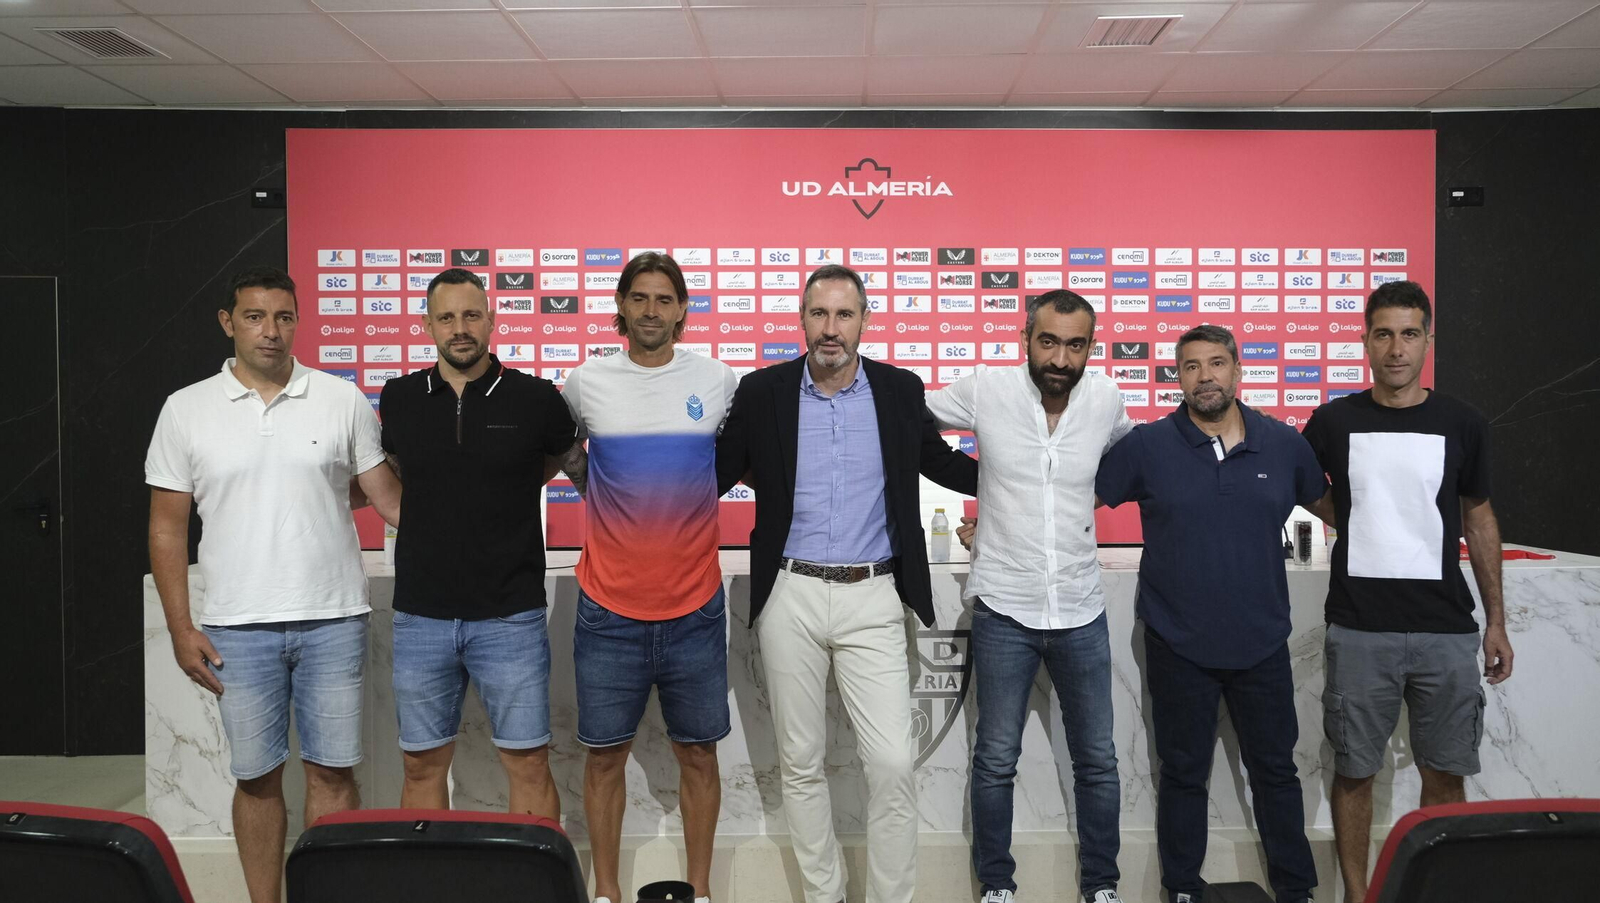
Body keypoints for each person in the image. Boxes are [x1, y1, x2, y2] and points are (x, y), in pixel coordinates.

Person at [715, 264, 976, 903]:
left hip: (875, 593)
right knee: (801, 764)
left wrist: (1031, 476)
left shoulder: (899, 390)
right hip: (789, 593)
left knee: (892, 764)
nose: (830, 328)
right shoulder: (762, 391)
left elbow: (943, 464)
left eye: (844, 314)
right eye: (819, 314)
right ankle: (825, 895)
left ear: (864, 320)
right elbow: (712, 476)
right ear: (802, 319)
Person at [146, 266, 400, 903]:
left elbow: (390, 500)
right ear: (228, 323)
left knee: (333, 774)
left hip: (333, 618)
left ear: (298, 321)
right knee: (256, 779)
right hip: (236, 627)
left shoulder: (341, 399)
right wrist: (180, 628)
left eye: (284, 317)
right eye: (255, 317)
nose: (271, 331)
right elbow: (168, 529)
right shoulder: (185, 408)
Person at [1093, 324, 1326, 903]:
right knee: (1182, 775)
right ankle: (1181, 890)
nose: (1205, 377)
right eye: (1191, 366)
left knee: (1276, 773)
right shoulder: (1146, 446)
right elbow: (1073, 499)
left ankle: (1296, 890)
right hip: (1177, 643)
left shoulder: (1283, 443)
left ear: (1237, 369)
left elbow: (1335, 507)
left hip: (1263, 642)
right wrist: (991, 526)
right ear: (1177, 376)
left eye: (1216, 363)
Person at [1300, 281, 1512, 903]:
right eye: (1384, 334)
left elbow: (1479, 518)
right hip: (1358, 628)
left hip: (1446, 630)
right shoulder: (1334, 420)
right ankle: (1358, 896)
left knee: (1445, 774)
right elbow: (1303, 486)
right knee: (1354, 772)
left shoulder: (1463, 423)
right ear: (1365, 341)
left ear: (1428, 341)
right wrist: (1351, 517)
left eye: (1410, 334)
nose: (1397, 348)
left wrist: (1497, 621)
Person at [925, 289, 1130, 903]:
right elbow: (910, 416)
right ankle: (997, 886)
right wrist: (982, 488)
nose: (1060, 358)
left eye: (1075, 345)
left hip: (1081, 607)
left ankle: (1102, 886)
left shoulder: (1107, 398)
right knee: (995, 759)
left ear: (1091, 347)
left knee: (1098, 762)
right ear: (1026, 339)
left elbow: (1129, 460)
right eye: (1048, 342)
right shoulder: (986, 388)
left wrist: (1080, 503)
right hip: (1003, 607)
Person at [558, 252, 739, 903]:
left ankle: (700, 890)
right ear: (621, 305)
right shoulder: (586, 382)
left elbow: (734, 458)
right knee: (604, 758)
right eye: (639, 297)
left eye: (665, 299)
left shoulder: (718, 380)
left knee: (700, 755)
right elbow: (565, 450)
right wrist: (597, 488)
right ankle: (606, 891)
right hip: (608, 610)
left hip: (696, 608)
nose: (652, 310)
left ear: (683, 308)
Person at [377, 267, 579, 818]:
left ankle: (534, 870)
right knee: (421, 767)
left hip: (511, 616)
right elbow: (392, 478)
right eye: (446, 317)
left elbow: (573, 470)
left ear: (492, 320)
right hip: (421, 616)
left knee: (529, 764)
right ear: (427, 325)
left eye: (471, 315)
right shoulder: (399, 397)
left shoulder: (536, 397)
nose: (459, 328)